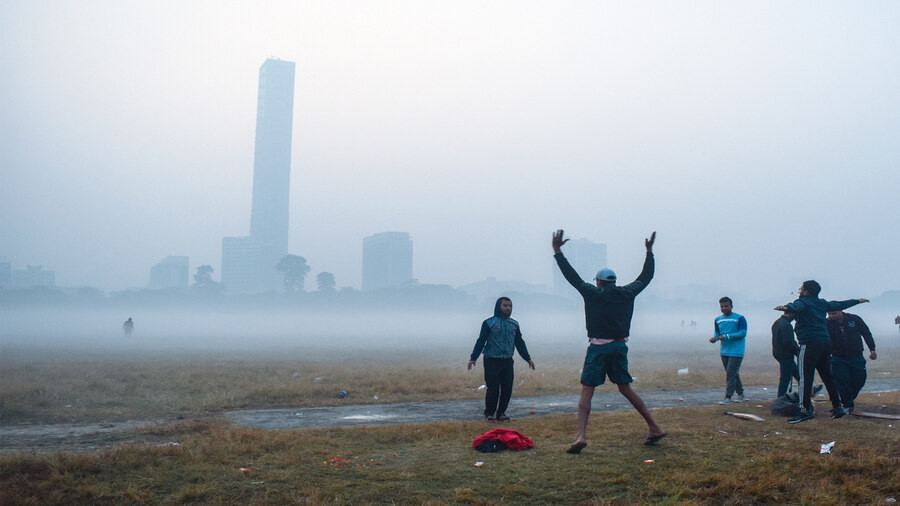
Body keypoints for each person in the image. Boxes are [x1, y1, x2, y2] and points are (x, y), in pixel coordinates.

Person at [552, 229, 666, 454]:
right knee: (625, 388)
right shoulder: (627, 293)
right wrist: (649, 252)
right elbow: (646, 277)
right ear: (613, 282)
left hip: (598, 348)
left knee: (587, 390)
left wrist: (557, 251)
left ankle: (580, 436)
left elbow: (571, 276)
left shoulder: (592, 293)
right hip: (620, 346)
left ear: (598, 282)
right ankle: (654, 427)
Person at [774, 280, 868, 423]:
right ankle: (838, 407)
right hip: (825, 343)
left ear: (806, 292)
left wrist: (786, 307)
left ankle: (805, 411)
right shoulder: (821, 303)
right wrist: (857, 301)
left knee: (805, 379)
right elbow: (839, 304)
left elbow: (796, 306)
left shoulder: (804, 302)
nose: (799, 291)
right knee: (828, 377)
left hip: (809, 344)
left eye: (801, 289)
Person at [468, 297, 535, 422]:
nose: (508, 308)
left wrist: (528, 358)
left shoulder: (514, 324)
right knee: (493, 388)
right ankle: (489, 413)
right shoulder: (489, 323)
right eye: (505, 305)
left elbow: (519, 342)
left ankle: (501, 413)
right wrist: (473, 358)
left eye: (510, 306)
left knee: (507, 388)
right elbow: (481, 341)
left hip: (507, 361)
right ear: (499, 306)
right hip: (491, 360)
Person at [827, 310, 877, 414]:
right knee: (842, 381)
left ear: (840, 311)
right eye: (829, 314)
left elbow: (866, 333)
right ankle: (847, 405)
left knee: (860, 379)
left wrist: (872, 349)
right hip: (838, 357)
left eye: (833, 313)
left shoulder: (854, 319)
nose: (831, 316)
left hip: (856, 356)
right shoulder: (826, 323)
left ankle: (847, 399)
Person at [709, 297, 748, 404]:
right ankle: (741, 394)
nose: (724, 308)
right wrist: (714, 338)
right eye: (722, 306)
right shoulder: (718, 319)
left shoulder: (740, 318)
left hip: (736, 350)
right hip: (724, 350)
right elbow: (717, 333)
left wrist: (727, 336)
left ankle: (728, 397)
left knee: (730, 373)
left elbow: (742, 333)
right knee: (733, 373)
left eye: (726, 306)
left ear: (731, 306)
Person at [771, 313, 801, 398]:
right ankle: (780, 398)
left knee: (797, 374)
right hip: (785, 354)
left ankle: (810, 390)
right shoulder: (786, 325)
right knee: (785, 378)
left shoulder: (777, 322)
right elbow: (789, 342)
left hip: (779, 353)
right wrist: (798, 352)